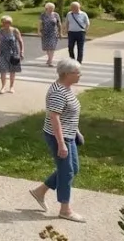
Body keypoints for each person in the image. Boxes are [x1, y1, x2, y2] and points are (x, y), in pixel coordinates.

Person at [29, 58, 86, 223]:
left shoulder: (65, 87)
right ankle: (65, 210)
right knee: (67, 172)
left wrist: (76, 131)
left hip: (69, 135)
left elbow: (68, 114)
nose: (80, 75)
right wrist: (61, 144)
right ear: (67, 74)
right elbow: (54, 118)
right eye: (78, 72)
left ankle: (39, 192)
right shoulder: (58, 92)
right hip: (59, 137)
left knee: (72, 169)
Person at [0, 14, 26, 94]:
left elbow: (20, 41)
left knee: (12, 70)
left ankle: (11, 87)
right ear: (2, 23)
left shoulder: (15, 31)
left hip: (14, 53)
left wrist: (21, 51)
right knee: (3, 70)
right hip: (2, 53)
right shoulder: (0, 31)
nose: (7, 24)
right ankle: (3, 87)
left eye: (8, 22)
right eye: (5, 22)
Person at [39, 2, 62, 67]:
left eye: (53, 8)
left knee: (52, 47)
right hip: (45, 33)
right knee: (47, 47)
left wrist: (60, 32)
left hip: (54, 33)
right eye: (50, 8)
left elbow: (59, 24)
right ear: (46, 8)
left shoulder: (56, 15)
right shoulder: (43, 15)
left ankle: (50, 61)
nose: (52, 9)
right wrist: (39, 31)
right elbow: (40, 23)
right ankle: (49, 59)